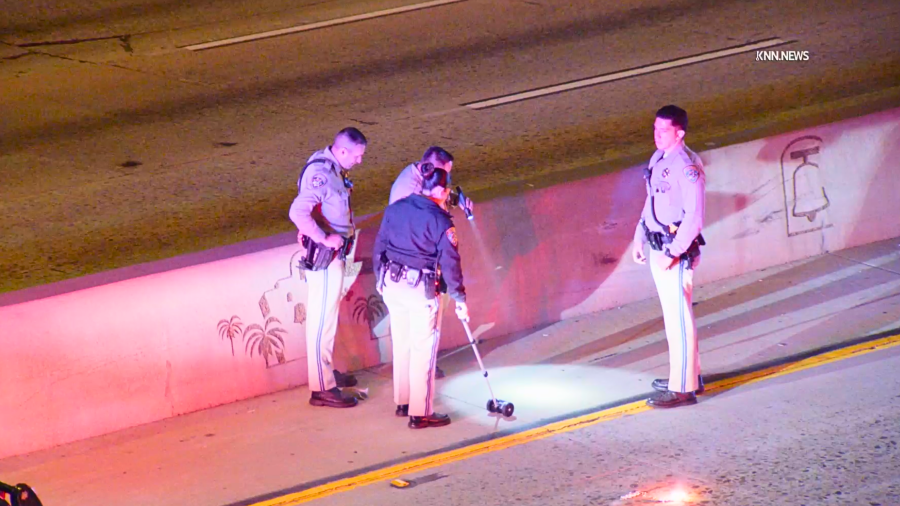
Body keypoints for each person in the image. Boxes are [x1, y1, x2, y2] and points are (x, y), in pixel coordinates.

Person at [373, 165, 469, 429]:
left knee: (401, 343)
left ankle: (403, 401)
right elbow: (451, 264)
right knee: (423, 349)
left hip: (391, 284)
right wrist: (460, 298)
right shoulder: (441, 221)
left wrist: (378, 277)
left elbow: (380, 244)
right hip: (420, 290)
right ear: (441, 190)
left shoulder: (396, 208)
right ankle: (421, 411)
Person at [632, 105, 707, 409]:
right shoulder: (659, 158)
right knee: (674, 317)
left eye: (663, 131)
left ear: (680, 133)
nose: (657, 135)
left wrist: (672, 253)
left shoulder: (687, 167)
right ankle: (689, 376)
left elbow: (694, 219)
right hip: (657, 245)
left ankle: (683, 389)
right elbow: (651, 201)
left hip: (673, 251)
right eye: (655, 129)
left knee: (678, 320)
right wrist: (639, 235)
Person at [289, 127, 367, 408]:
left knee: (328, 320)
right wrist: (322, 237)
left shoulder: (330, 167)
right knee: (322, 323)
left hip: (333, 256)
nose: (359, 161)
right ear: (343, 151)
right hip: (325, 258)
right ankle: (322, 388)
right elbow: (298, 212)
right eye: (357, 156)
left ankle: (324, 375)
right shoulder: (322, 173)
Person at [388, 146, 471, 379]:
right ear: (428, 168)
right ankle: (421, 376)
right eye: (443, 174)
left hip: (403, 272)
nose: (446, 181)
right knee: (422, 329)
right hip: (417, 270)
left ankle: (407, 389)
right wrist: (459, 297)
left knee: (410, 333)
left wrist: (455, 200)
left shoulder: (420, 182)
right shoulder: (410, 191)